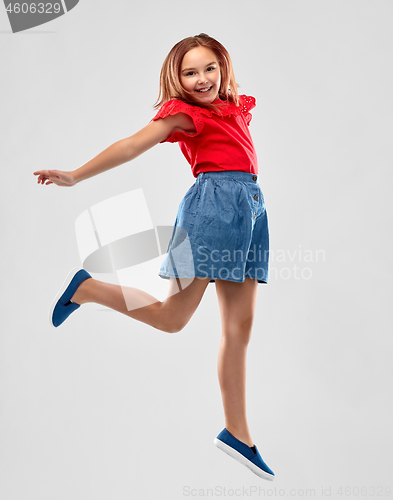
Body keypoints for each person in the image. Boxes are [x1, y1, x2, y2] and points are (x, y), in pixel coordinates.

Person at [33, 33, 274, 481]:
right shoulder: (185, 116)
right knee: (172, 318)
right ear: (176, 79)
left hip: (249, 212)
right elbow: (132, 144)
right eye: (189, 72)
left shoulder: (235, 108)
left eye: (209, 68)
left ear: (223, 67)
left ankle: (237, 433)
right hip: (212, 211)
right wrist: (76, 175)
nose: (201, 79)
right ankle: (87, 287)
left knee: (240, 327)